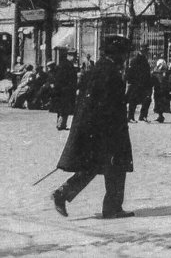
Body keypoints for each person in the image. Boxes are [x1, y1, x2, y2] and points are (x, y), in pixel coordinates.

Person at [51, 35, 135, 219]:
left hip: (94, 129)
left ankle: (63, 193)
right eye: (123, 53)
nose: (125, 57)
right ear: (118, 54)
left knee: (93, 166)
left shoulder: (99, 68)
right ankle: (112, 208)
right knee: (116, 166)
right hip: (108, 130)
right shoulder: (109, 72)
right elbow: (107, 104)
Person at [50, 49, 79, 130]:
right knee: (63, 108)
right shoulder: (66, 65)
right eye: (73, 56)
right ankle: (60, 124)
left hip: (64, 90)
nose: (74, 58)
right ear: (69, 56)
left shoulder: (65, 64)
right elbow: (62, 79)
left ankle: (62, 124)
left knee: (63, 108)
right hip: (65, 90)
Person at [124, 47, 152, 123]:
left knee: (146, 99)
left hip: (143, 83)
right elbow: (130, 72)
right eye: (145, 51)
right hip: (137, 83)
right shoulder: (136, 60)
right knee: (133, 100)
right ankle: (131, 117)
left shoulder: (143, 59)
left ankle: (142, 116)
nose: (146, 52)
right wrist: (130, 81)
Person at [151, 59, 171, 123]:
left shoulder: (156, 71)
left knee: (158, 102)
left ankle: (160, 116)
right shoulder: (166, 71)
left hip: (159, 89)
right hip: (163, 89)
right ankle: (160, 116)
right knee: (160, 102)